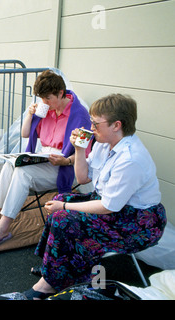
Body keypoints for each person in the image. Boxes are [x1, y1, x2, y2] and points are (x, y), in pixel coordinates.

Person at [23, 93, 166, 300]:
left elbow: (108, 207)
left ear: (117, 125)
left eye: (96, 123)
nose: (91, 127)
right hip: (114, 207)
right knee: (63, 199)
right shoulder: (103, 142)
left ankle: (48, 283)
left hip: (137, 221)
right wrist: (80, 150)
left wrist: (63, 208)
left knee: (64, 215)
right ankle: (55, 268)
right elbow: (82, 178)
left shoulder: (131, 159)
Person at [0, 70, 91, 247]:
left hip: (66, 166)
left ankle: (4, 227)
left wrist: (66, 161)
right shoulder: (46, 110)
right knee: (10, 166)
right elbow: (26, 133)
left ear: (60, 93)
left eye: (48, 98)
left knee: (22, 173)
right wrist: (30, 115)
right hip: (45, 159)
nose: (44, 102)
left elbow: (85, 154)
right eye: (41, 98)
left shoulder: (79, 115)